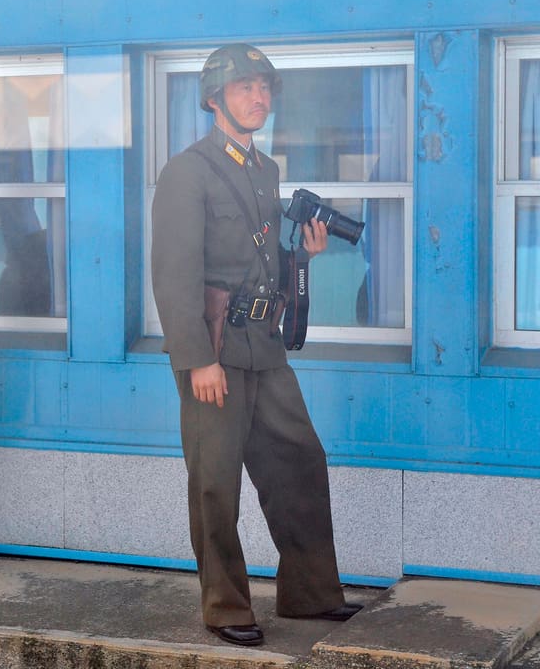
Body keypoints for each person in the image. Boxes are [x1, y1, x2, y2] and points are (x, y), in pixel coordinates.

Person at [150, 44, 362, 647]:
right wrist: (197, 359)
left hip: (264, 346)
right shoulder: (187, 170)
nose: (259, 98)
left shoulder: (263, 169)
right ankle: (226, 607)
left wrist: (302, 256)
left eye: (264, 88)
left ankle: (311, 594)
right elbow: (174, 272)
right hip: (214, 349)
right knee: (216, 482)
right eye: (245, 88)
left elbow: (260, 260)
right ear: (215, 99)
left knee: (300, 460)